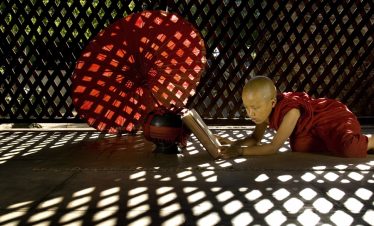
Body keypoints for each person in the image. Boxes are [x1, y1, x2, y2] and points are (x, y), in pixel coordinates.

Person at [219, 76, 374, 159]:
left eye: (255, 108)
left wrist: (240, 151)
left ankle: (371, 141)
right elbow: (255, 138)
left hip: (332, 117)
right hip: (314, 128)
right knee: (300, 147)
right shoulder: (262, 114)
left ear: (272, 102)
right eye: (247, 107)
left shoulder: (290, 111)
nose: (250, 113)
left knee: (349, 149)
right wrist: (235, 144)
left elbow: (273, 148)